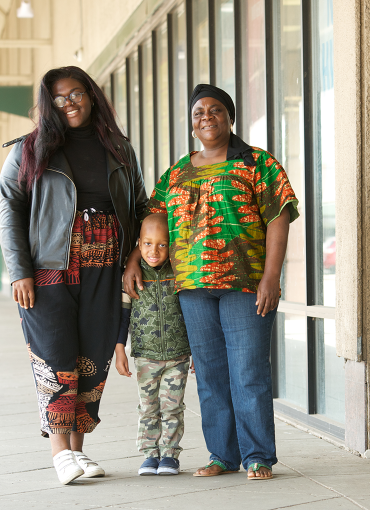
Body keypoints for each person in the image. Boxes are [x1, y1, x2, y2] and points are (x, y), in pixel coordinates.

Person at [124, 83, 299, 480]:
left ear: (230, 117)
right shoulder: (176, 174)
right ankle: (222, 455)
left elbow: (279, 218)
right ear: (191, 124)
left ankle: (258, 456)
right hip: (192, 288)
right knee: (210, 372)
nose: (207, 117)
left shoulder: (257, 164)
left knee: (248, 370)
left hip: (245, 284)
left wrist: (271, 276)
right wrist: (134, 259)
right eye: (199, 112)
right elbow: (154, 221)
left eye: (215, 110)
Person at [0, 66, 147, 485]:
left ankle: (78, 453)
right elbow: (8, 208)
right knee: (56, 358)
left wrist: (135, 255)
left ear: (91, 95)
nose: (70, 103)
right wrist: (18, 272)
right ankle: (60, 452)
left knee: (92, 360)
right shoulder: (29, 150)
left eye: (76, 93)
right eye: (60, 98)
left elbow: (139, 203)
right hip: (49, 270)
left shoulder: (118, 148)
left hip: (106, 266)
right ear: (49, 106)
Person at [115, 214, 191, 476]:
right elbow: (122, 316)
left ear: (171, 245)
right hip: (145, 356)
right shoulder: (132, 276)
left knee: (172, 406)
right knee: (148, 407)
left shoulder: (180, 274)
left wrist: (199, 353)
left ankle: (169, 454)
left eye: (162, 244)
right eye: (147, 244)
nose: (154, 251)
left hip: (178, 355)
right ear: (138, 244)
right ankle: (149, 455)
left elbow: (194, 315)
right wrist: (119, 349)